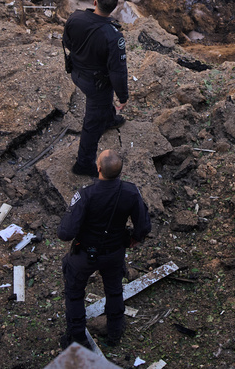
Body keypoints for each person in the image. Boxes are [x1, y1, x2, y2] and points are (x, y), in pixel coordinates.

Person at [58, 149, 151, 350]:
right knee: (114, 290)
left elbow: (65, 232)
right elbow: (143, 225)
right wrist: (135, 238)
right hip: (114, 252)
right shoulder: (130, 191)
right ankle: (115, 331)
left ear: (98, 168)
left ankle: (76, 338)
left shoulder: (85, 194)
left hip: (84, 255)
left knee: (74, 294)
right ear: (120, 171)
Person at [62, 0, 129, 177]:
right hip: (96, 85)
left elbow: (67, 42)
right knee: (92, 124)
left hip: (76, 74)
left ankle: (107, 119)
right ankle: (83, 164)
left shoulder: (75, 17)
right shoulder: (113, 36)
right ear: (114, 8)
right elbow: (118, 71)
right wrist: (123, 97)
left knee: (101, 108)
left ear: (94, 1)